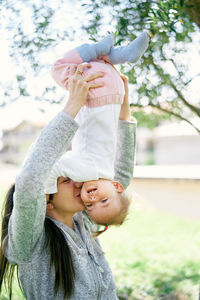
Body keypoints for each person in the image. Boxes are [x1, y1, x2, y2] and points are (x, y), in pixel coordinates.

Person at [0, 62, 137, 299]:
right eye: (66, 181)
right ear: (46, 200)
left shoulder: (83, 220)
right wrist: (73, 104)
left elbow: (118, 181)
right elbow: (31, 178)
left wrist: (123, 112)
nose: (79, 183)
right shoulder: (30, 240)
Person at [44, 32, 149, 226]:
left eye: (90, 206)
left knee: (99, 61)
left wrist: (123, 95)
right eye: (104, 200)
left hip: (115, 92)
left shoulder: (108, 171)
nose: (92, 199)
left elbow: (122, 139)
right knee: (58, 67)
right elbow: (53, 166)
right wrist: (46, 193)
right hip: (95, 96)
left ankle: (123, 54)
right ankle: (98, 48)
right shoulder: (85, 172)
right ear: (118, 186)